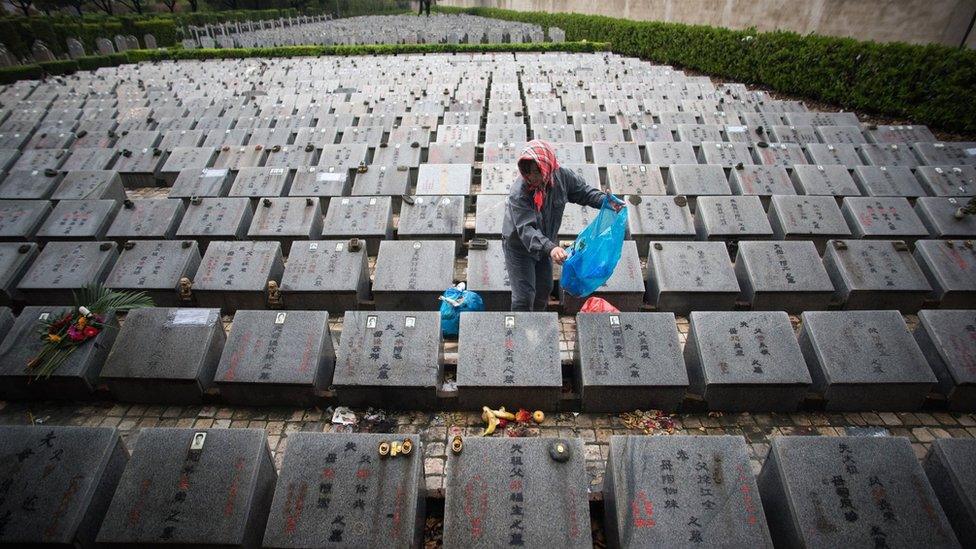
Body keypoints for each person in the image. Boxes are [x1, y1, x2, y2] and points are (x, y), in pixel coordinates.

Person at [501, 140, 623, 312]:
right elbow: (526, 230)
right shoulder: (519, 193)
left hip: (546, 243)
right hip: (520, 247)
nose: (532, 177)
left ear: (547, 166)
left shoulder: (562, 177)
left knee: (544, 289)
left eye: (537, 172)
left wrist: (605, 201)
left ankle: (536, 327)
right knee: (524, 296)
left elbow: (583, 192)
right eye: (527, 172)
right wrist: (551, 248)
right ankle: (520, 334)